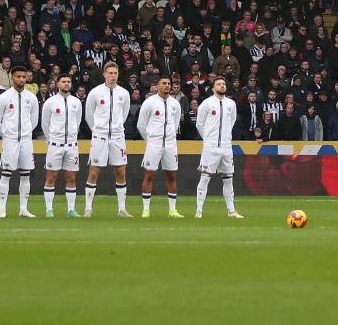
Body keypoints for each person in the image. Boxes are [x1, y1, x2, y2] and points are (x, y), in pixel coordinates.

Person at [85, 61, 133, 218]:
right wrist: (98, 130)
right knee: (94, 172)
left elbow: (124, 114)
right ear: (104, 74)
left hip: (118, 137)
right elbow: (89, 115)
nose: (113, 76)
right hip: (100, 136)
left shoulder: (124, 93)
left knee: (120, 172)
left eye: (115, 73)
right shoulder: (95, 93)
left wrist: (117, 128)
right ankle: (88, 208)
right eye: (110, 73)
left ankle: (122, 209)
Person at [0, 64, 39, 219]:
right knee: (6, 174)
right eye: (18, 77)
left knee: (26, 175)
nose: (21, 79)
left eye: (23, 77)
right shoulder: (4, 97)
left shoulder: (31, 98)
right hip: (10, 140)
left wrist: (26, 133)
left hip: (26, 140)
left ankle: (23, 209)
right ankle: (2, 210)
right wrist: (6, 133)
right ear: (12, 78)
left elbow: (34, 120)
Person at [194, 76, 242, 219]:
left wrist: (225, 137)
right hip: (211, 147)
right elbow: (199, 123)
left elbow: (231, 121)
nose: (222, 86)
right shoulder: (206, 103)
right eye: (219, 84)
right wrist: (208, 139)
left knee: (228, 179)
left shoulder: (231, 104)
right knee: (205, 178)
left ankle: (231, 211)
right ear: (213, 88)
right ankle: (199, 211)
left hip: (226, 147)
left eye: (223, 84)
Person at [137, 76, 184, 219]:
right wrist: (151, 140)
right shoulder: (149, 103)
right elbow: (141, 125)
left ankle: (172, 210)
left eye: (169, 84)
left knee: (171, 175)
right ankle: (146, 210)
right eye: (164, 83)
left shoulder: (175, 104)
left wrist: (169, 138)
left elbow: (175, 125)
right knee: (149, 174)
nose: (167, 86)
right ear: (157, 86)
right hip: (154, 144)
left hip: (170, 144)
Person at [40, 73, 83, 218]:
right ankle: (49, 209)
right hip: (55, 144)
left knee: (71, 177)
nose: (66, 84)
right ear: (57, 84)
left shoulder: (76, 102)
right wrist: (51, 138)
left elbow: (77, 122)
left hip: (71, 145)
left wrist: (72, 136)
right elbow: (45, 123)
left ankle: (71, 209)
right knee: (51, 176)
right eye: (63, 81)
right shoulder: (50, 102)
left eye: (68, 81)